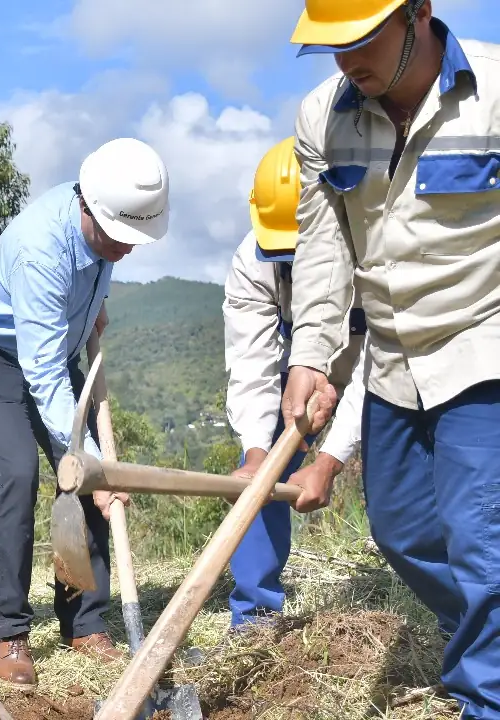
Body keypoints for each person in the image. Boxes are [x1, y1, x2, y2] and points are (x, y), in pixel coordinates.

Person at [283, 1, 500, 715]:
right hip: (391, 361)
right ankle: (480, 634)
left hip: (482, 348)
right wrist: (312, 356)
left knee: (481, 546)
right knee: (401, 530)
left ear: (420, 14)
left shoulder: (494, 91)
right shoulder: (322, 116)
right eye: (332, 46)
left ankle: (485, 696)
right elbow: (322, 248)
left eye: (362, 39)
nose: (347, 61)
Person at [0, 138, 170, 686]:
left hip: (54, 348)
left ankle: (84, 622)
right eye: (119, 236)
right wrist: (89, 464)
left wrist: (92, 307)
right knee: (20, 472)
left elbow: (63, 326)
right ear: (87, 208)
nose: (128, 248)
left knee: (89, 474)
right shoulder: (41, 247)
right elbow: (41, 373)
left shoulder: (104, 223)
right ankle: (11, 634)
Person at [222, 137, 367, 630]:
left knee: (402, 484)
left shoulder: (375, 257)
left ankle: (452, 617)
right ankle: (255, 620)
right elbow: (252, 365)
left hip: (379, 363)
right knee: (258, 477)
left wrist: (331, 460)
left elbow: (378, 367)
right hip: (298, 371)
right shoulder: (253, 262)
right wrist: (260, 453)